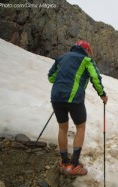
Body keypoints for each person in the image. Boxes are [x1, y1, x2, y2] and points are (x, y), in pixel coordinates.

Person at [48, 40, 108, 175]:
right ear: (86, 50)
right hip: (74, 98)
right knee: (80, 127)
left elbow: (51, 77)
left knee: (62, 128)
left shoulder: (61, 57)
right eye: (89, 51)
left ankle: (64, 162)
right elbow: (95, 78)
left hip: (56, 97)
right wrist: (102, 94)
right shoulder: (86, 60)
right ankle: (74, 164)